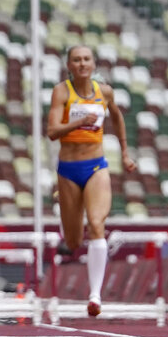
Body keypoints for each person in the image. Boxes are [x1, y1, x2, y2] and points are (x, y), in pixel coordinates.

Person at [46, 44, 135, 317]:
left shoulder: (104, 92)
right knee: (73, 242)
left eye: (87, 59)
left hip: (96, 165)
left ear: (94, 64)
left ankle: (95, 296)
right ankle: (66, 203)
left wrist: (124, 151)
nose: (82, 64)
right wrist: (78, 121)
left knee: (97, 224)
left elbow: (117, 117)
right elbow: (52, 131)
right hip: (68, 169)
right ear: (69, 66)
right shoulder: (62, 92)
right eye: (77, 60)